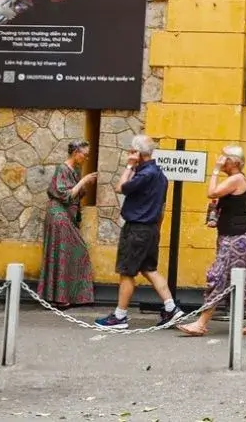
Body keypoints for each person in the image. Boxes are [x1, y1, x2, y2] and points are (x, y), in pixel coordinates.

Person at [95, 135, 182, 329]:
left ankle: (120, 316)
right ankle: (171, 307)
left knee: (127, 272)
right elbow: (162, 207)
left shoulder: (144, 174)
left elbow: (120, 187)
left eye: (131, 151)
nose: (128, 154)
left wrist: (128, 166)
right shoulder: (160, 175)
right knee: (149, 269)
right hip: (151, 228)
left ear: (137, 153)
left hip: (136, 228)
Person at [178, 146, 246, 336]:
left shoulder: (237, 179)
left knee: (218, 276)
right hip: (234, 236)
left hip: (235, 239)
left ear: (235, 162)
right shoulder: (234, 180)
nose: (221, 159)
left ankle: (201, 323)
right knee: (243, 277)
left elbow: (212, 192)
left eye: (225, 157)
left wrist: (215, 170)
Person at [38, 140, 98, 309]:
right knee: (63, 254)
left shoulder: (74, 170)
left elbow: (77, 194)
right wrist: (84, 180)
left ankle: (69, 295)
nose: (86, 158)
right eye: (84, 155)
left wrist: (84, 183)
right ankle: (58, 297)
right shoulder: (62, 169)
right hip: (58, 216)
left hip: (66, 217)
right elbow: (65, 195)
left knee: (74, 252)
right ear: (75, 152)